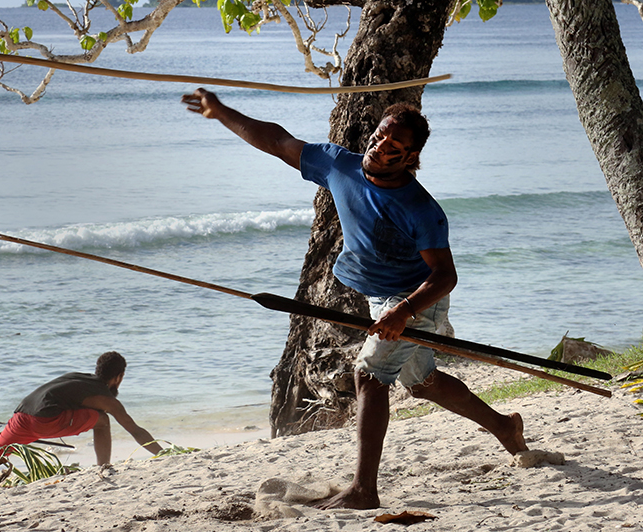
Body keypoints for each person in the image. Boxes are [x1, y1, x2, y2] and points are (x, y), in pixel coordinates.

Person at [182, 89, 528, 510]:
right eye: (382, 135)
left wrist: (404, 311)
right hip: (380, 297)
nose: (381, 147)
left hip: (418, 300)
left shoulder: (421, 209)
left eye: (395, 147)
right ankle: (504, 428)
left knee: (369, 374)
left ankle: (364, 490)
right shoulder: (337, 165)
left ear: (410, 158)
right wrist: (220, 112)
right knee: (423, 384)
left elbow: (444, 276)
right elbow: (276, 140)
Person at [0, 351, 163, 494]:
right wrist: (163, 454)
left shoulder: (79, 378)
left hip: (22, 415)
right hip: (46, 419)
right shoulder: (104, 396)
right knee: (102, 421)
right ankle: (103, 467)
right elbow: (134, 430)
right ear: (118, 377)